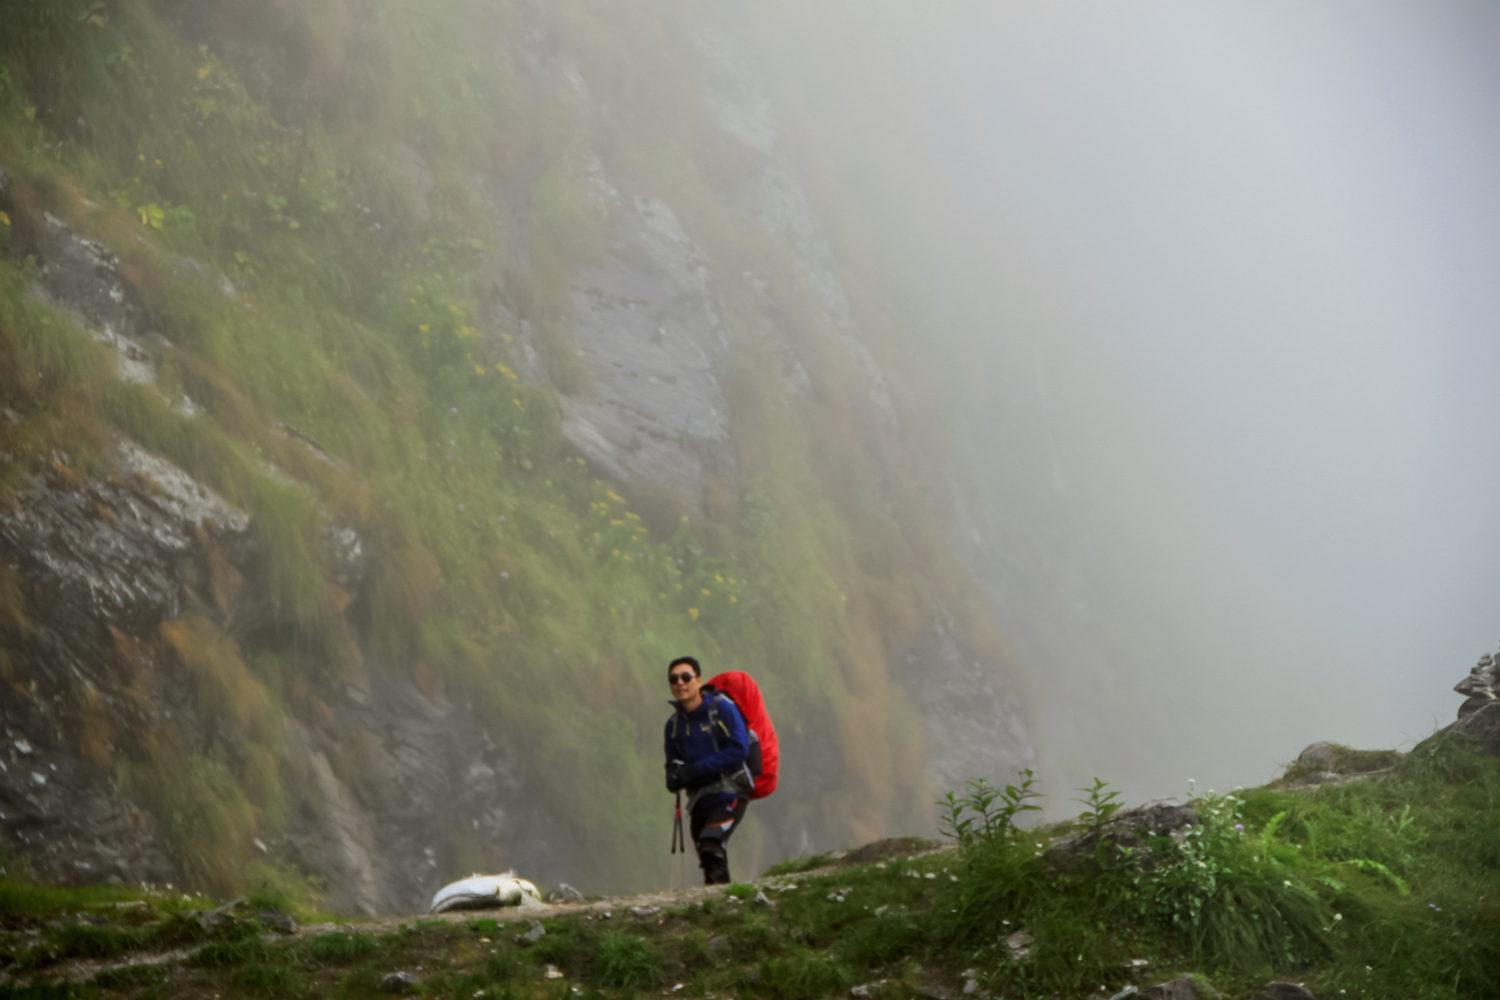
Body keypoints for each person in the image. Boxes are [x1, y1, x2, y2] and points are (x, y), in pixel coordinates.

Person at [664, 656, 751, 885]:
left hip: (729, 794)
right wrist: (673, 778)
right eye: (674, 679)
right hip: (699, 802)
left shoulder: (722, 710)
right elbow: (672, 763)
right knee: (709, 858)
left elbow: (738, 751)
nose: (680, 683)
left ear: (699, 681)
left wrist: (695, 771)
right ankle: (723, 909)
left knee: (711, 846)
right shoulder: (673, 726)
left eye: (686, 677)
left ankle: (726, 907)